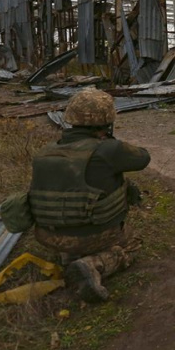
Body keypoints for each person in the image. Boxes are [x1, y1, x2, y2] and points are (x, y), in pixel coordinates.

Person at [28, 87, 151, 302]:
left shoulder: (45, 151)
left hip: (47, 236)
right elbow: (143, 158)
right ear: (106, 122)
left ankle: (70, 259)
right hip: (91, 236)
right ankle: (93, 265)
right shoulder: (108, 150)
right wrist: (111, 144)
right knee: (133, 241)